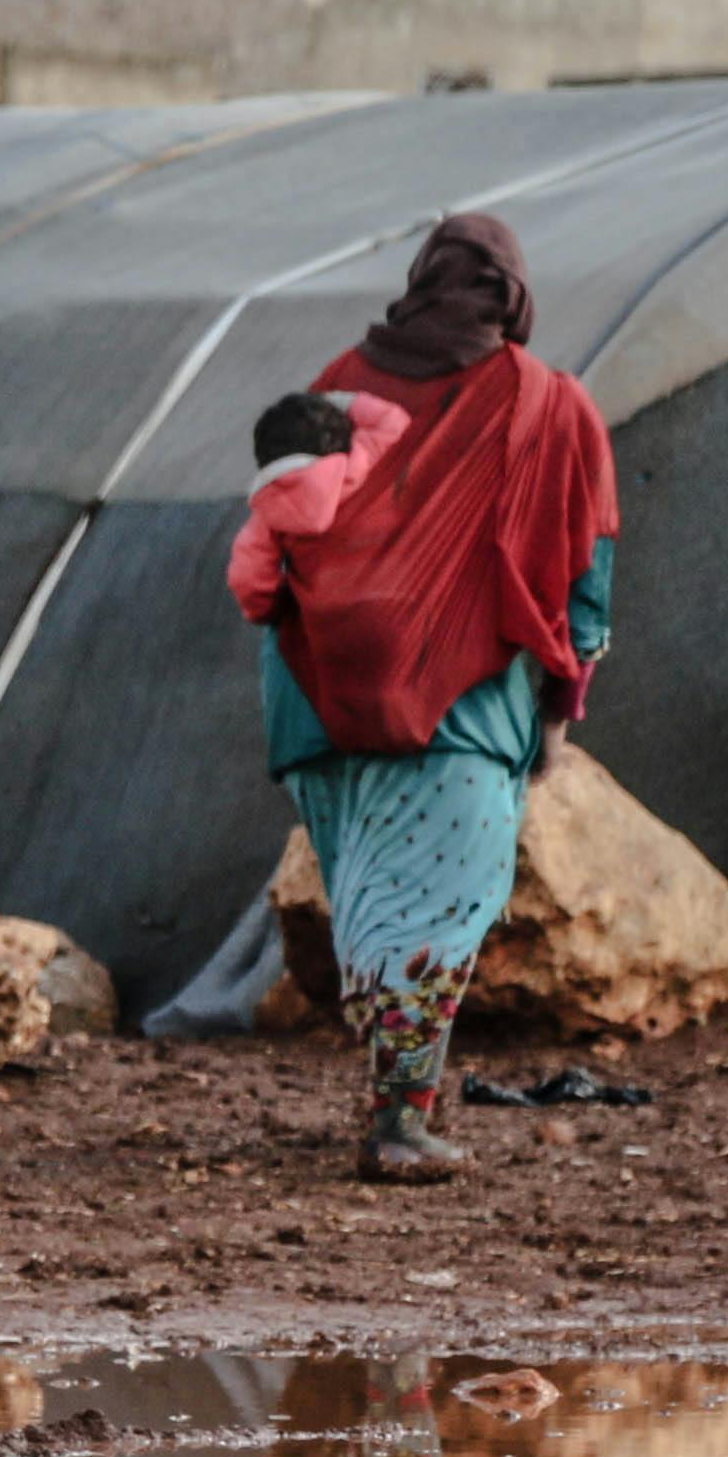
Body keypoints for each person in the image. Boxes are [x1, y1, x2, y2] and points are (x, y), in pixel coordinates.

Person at [248, 215, 617, 1181]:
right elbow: (588, 575)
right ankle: (399, 1125)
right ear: (514, 299)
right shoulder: (549, 405)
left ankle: (395, 1101)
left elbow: (282, 530)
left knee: (374, 896)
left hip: (320, 695)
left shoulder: (337, 380)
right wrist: (557, 709)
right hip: (461, 703)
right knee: (439, 906)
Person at [224, 386, 412, 623]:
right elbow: (391, 419)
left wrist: (269, 613)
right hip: (402, 595)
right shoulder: (362, 461)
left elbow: (247, 580)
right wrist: (334, 400)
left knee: (281, 640)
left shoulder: (266, 514)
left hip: (332, 625)